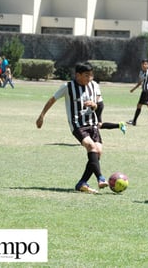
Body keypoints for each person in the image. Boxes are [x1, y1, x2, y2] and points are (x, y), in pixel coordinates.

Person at [36, 61, 108, 194]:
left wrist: (94, 105)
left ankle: (82, 183)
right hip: (77, 125)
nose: (90, 78)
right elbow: (52, 100)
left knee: (97, 153)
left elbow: (97, 105)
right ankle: (100, 178)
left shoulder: (94, 85)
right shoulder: (67, 87)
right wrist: (41, 116)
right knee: (91, 147)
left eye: (91, 75)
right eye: (87, 75)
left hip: (93, 124)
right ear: (78, 75)